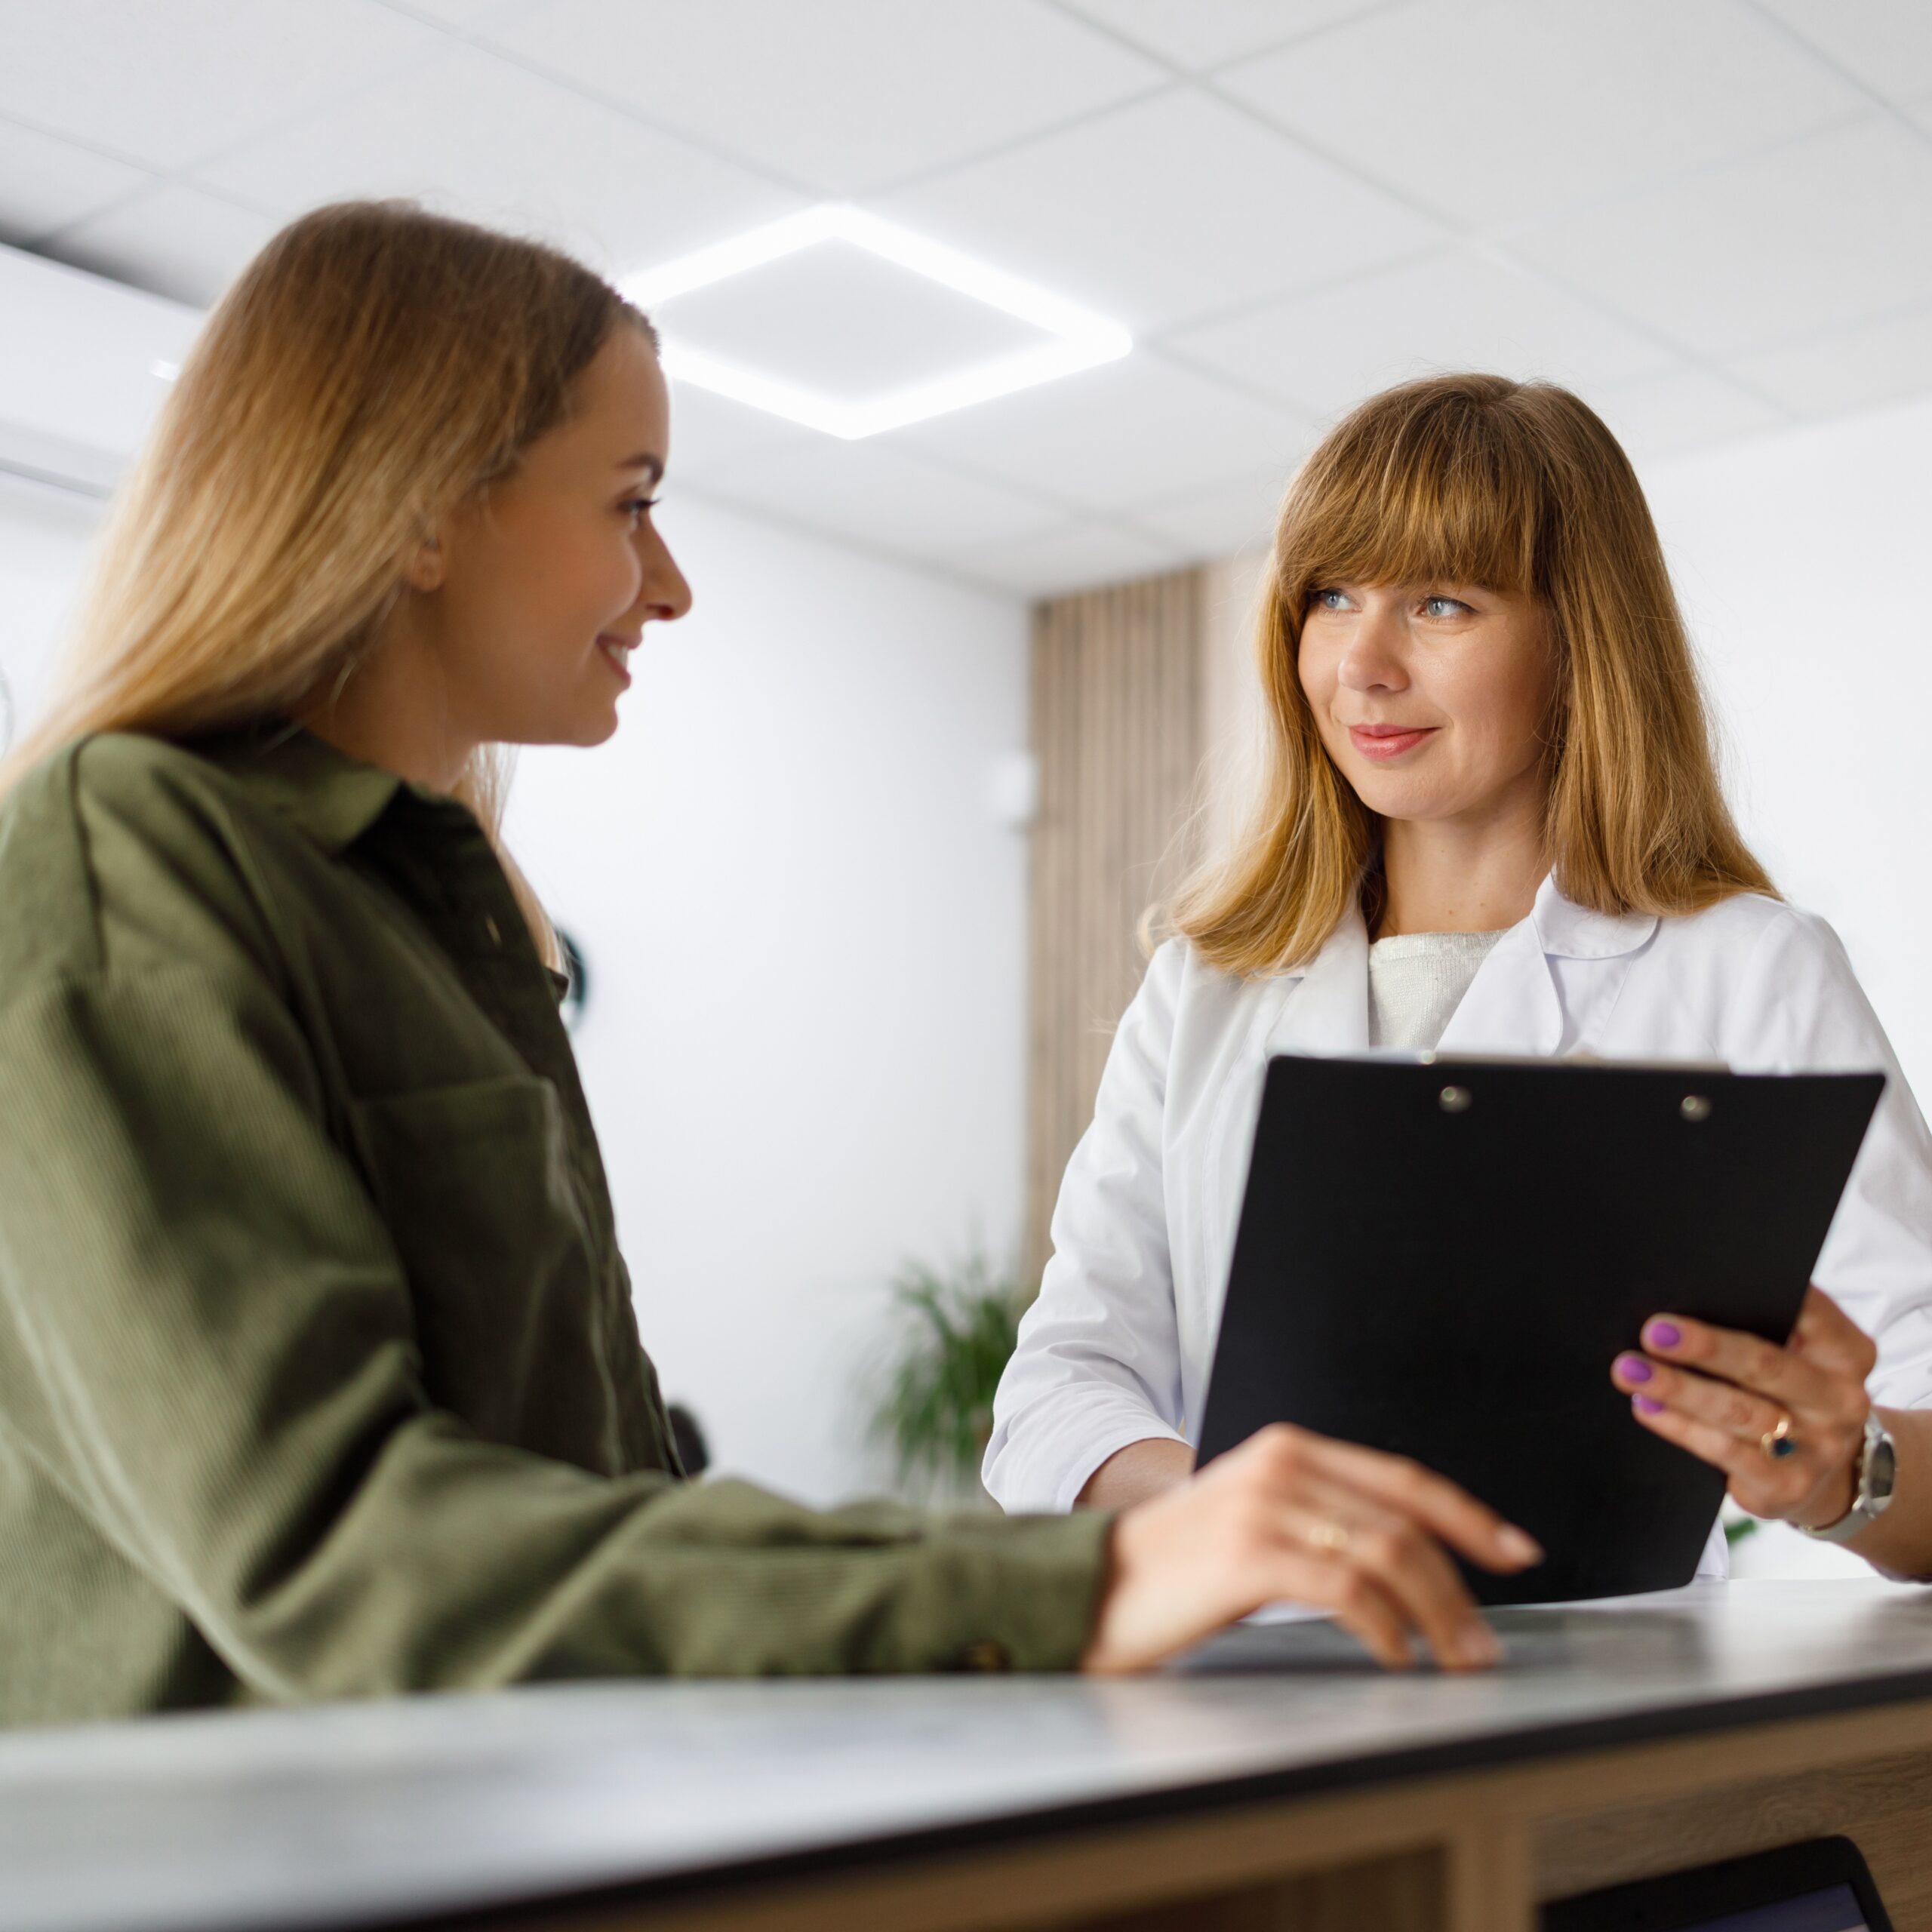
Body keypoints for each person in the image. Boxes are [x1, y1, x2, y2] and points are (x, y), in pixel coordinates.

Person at [0, 206, 1543, 1727]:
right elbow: (330, 1544)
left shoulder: (448, 914)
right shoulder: (120, 855)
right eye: (627, 501)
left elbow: (590, 1481)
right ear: (420, 509)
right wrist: (1076, 1580)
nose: (665, 583)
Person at [986, 373, 1932, 1592]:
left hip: (1608, 1711)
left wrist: (1837, 1469)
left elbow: (1919, 1387)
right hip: (1251, 1690)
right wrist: (1258, 1517)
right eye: (1332, 597)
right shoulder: (1204, 988)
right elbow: (1059, 1385)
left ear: (1579, 636)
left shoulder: (1751, 970)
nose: (1363, 666)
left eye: (1440, 602)